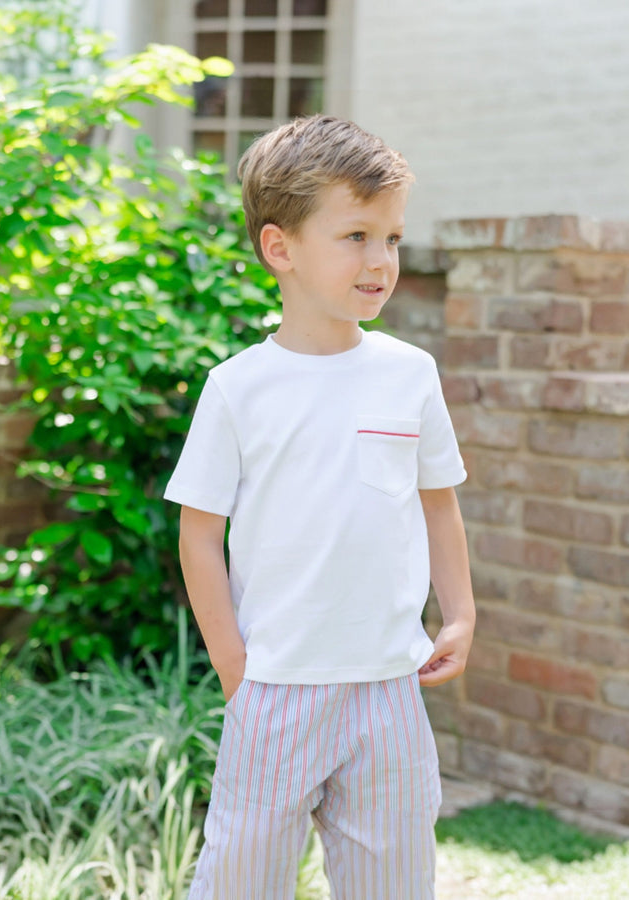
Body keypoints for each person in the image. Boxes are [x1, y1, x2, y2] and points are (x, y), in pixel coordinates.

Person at [164, 114, 475, 900]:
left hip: (389, 691)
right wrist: (236, 668)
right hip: (273, 689)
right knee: (241, 883)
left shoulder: (410, 374)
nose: (382, 261)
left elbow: (438, 504)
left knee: (395, 886)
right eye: (357, 237)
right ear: (281, 248)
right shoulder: (238, 387)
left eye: (393, 239)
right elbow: (199, 536)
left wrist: (461, 613)